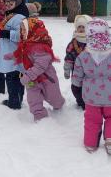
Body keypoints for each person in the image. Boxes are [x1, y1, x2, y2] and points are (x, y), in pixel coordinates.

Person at [12, 18, 65, 122]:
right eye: (21, 30)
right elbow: (20, 54)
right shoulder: (25, 44)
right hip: (32, 79)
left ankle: (59, 104)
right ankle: (40, 116)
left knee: (53, 98)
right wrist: (12, 56)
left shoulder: (40, 47)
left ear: (31, 30)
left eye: (24, 30)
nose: (21, 32)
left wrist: (27, 76)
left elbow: (40, 66)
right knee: (33, 98)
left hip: (46, 78)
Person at [72, 19, 111, 154]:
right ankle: (110, 138)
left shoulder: (83, 56)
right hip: (110, 95)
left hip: (91, 95)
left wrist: (76, 85)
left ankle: (90, 143)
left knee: (92, 120)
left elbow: (77, 75)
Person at [0, 0, 29, 109]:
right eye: (6, 2)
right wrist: (1, 39)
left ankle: (14, 102)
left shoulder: (19, 17)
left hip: (15, 54)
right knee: (13, 78)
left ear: (17, 3)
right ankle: (15, 99)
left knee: (14, 79)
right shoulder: (11, 15)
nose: (8, 5)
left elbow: (23, 35)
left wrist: (8, 34)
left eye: (11, 3)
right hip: (11, 53)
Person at [64, 15, 92, 109]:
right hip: (76, 70)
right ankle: (80, 101)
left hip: (89, 70)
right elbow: (69, 56)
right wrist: (67, 69)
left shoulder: (91, 41)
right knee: (76, 87)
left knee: (87, 87)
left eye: (83, 27)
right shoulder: (73, 42)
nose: (81, 29)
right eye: (79, 27)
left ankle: (87, 102)